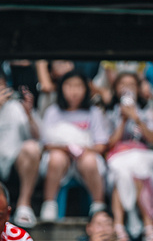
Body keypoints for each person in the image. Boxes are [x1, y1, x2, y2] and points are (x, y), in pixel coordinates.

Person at [38, 71, 110, 221]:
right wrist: (66, 148)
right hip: (59, 159)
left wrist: (81, 149)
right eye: (69, 86)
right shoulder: (53, 112)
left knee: (89, 160)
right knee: (57, 158)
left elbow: (101, 145)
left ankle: (98, 206)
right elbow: (46, 144)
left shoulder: (93, 112)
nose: (74, 91)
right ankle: (49, 204)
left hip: (85, 159)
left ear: (86, 89)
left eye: (78, 86)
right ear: (61, 89)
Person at [104, 70, 153, 241]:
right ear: (115, 89)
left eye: (131, 85)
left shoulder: (146, 110)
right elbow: (109, 143)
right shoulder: (109, 112)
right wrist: (122, 120)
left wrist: (135, 117)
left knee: (137, 170)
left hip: (141, 153)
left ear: (138, 89)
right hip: (118, 154)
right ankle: (131, 225)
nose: (127, 88)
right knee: (123, 173)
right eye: (122, 84)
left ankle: (141, 224)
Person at [0, 73, 41, 227]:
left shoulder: (16, 106)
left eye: (2, 88)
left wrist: (28, 113)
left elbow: (38, 137)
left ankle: (24, 205)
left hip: (16, 161)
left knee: (32, 149)